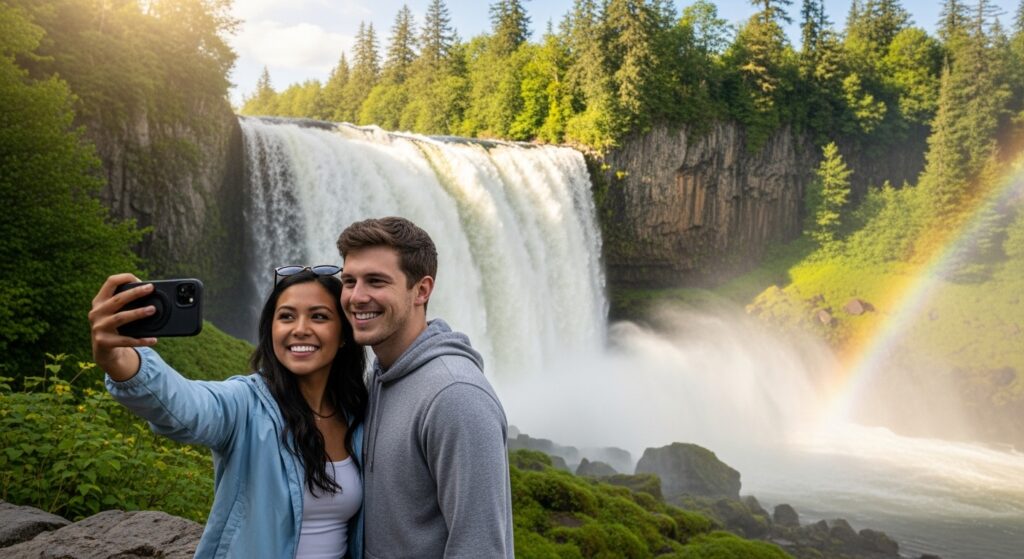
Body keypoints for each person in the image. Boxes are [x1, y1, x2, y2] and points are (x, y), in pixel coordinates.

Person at [89, 268, 368, 558]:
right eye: (286, 316)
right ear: (270, 330)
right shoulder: (245, 404)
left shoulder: (358, 413)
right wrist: (120, 359)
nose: (299, 329)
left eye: (319, 316)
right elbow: (186, 405)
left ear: (344, 334)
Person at [336, 217, 514, 558]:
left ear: (422, 290)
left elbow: (480, 549)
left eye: (376, 281)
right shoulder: (381, 375)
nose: (356, 297)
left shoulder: (456, 396)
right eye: (349, 281)